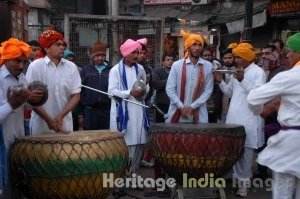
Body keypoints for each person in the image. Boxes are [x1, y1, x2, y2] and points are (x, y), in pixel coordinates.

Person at [247, 32, 300, 199]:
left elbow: (253, 97)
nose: (288, 54)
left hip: (291, 142)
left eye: (291, 50)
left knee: (283, 193)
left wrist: (259, 112)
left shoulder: (289, 76)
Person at [214, 42, 266, 197]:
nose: (235, 60)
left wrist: (243, 80)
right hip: (233, 119)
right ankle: (236, 182)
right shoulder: (238, 71)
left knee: (245, 155)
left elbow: (258, 96)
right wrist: (220, 81)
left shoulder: (258, 72)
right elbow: (229, 93)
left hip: (249, 120)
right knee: (234, 152)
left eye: (238, 57)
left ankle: (244, 185)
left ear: (246, 57)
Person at [0, 38, 44, 198]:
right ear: (5, 59)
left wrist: (32, 99)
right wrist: (12, 104)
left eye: (24, 62)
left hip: (17, 140)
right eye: (17, 61)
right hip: (2, 141)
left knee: (15, 183)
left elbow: (26, 106)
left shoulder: (22, 78)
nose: (21, 66)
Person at [26, 29, 81, 135]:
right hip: (41, 128)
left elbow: (76, 95)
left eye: (63, 44)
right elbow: (30, 98)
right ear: (47, 48)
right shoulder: (36, 66)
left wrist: (61, 116)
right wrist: (48, 120)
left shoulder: (71, 67)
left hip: (65, 126)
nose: (62, 47)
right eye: (57, 44)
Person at [108, 38, 149, 175]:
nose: (137, 56)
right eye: (133, 53)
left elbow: (146, 85)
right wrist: (129, 92)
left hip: (139, 110)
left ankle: (134, 175)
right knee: (124, 146)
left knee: (138, 144)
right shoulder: (115, 71)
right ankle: (123, 178)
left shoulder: (140, 68)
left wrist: (143, 91)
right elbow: (111, 92)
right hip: (123, 114)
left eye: (138, 53)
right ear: (125, 54)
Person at [165, 29, 213, 123]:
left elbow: (208, 90)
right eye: (194, 45)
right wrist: (181, 107)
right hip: (177, 113)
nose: (197, 48)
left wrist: (192, 107)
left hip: (199, 115)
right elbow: (170, 89)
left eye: (200, 45)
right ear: (188, 47)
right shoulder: (177, 65)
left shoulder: (207, 66)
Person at [80, 41, 111, 130]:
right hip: (90, 111)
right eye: (97, 55)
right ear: (92, 56)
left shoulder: (111, 70)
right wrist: (81, 114)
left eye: (103, 55)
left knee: (106, 138)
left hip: (107, 111)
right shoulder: (85, 71)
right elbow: (80, 92)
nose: (100, 58)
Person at [63, 49, 84, 131]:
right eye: (68, 60)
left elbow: (79, 92)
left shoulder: (77, 70)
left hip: (74, 107)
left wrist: (80, 114)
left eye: (72, 60)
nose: (70, 62)